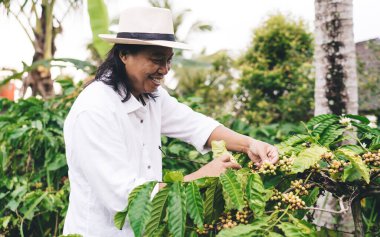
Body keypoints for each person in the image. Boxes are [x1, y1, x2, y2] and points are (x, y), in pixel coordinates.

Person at [62, 6, 278, 237]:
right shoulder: (95, 110)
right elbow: (124, 198)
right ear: (124, 55)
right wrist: (200, 176)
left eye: (168, 60)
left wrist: (250, 144)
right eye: (156, 60)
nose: (164, 70)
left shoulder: (152, 96)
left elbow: (196, 125)